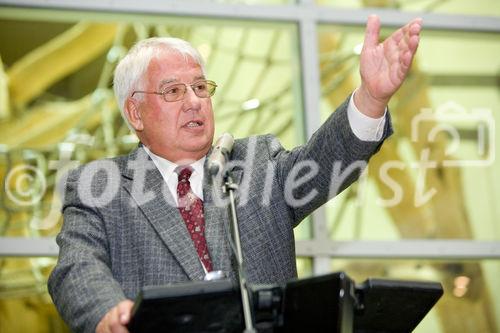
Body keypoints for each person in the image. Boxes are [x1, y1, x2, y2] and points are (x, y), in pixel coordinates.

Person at [48, 15, 422, 333]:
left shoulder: (255, 163)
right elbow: (76, 268)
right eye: (174, 91)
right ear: (135, 112)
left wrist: (372, 98)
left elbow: (327, 163)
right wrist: (106, 313)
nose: (194, 101)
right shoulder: (99, 186)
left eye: (199, 87)